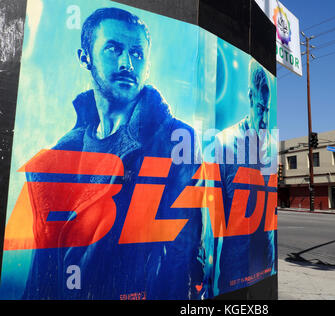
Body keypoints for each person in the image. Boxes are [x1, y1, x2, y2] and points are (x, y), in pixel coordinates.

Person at [21, 7, 207, 300]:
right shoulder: (57, 157)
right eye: (113, 49)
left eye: (137, 53)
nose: (127, 63)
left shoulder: (173, 141)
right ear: (85, 57)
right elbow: (41, 273)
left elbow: (182, 258)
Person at [211, 59, 277, 295]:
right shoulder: (225, 142)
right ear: (250, 97)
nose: (264, 119)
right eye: (260, 108)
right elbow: (215, 218)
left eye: (267, 110)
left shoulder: (271, 144)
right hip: (235, 268)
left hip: (266, 265)